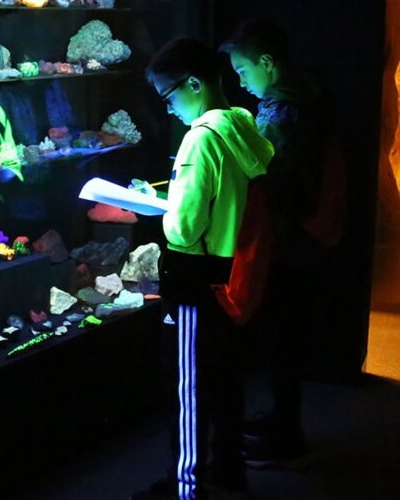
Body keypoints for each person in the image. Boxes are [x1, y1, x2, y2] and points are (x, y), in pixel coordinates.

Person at [133, 37, 274, 500]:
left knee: (189, 386)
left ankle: (186, 487)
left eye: (168, 95)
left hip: (195, 280)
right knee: (227, 380)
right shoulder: (244, 124)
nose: (168, 108)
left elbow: (184, 230)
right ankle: (228, 469)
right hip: (231, 273)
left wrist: (161, 207)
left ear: (194, 84)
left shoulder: (199, 139)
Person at [219, 18, 326, 468]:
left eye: (243, 71)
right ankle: (284, 419)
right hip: (301, 240)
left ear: (267, 63)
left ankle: (286, 434)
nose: (241, 82)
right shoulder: (307, 98)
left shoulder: (282, 113)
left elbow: (267, 176)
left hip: (284, 242)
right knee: (285, 338)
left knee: (281, 337)